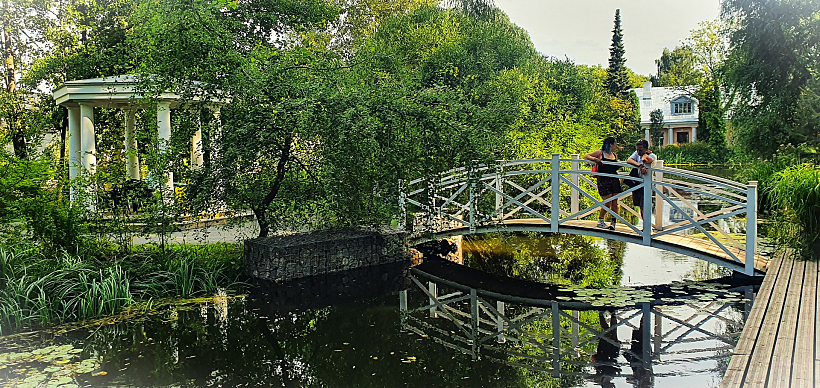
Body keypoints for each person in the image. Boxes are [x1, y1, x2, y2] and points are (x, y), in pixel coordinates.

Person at [585, 137, 621, 230]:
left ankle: (613, 223)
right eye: (615, 144)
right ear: (611, 145)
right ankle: (601, 221)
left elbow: (614, 166)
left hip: (614, 179)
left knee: (614, 203)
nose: (616, 146)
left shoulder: (614, 155)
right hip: (603, 180)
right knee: (607, 202)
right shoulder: (600, 153)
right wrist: (595, 159)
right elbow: (586, 156)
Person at [625, 139, 656, 228]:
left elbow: (647, 160)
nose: (638, 152)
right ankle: (645, 226)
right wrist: (639, 165)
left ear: (646, 149)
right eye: (637, 149)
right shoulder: (637, 153)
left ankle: (646, 228)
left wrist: (645, 155)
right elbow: (629, 160)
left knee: (644, 207)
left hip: (647, 185)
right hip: (638, 183)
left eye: (641, 150)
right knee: (640, 207)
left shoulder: (652, 156)